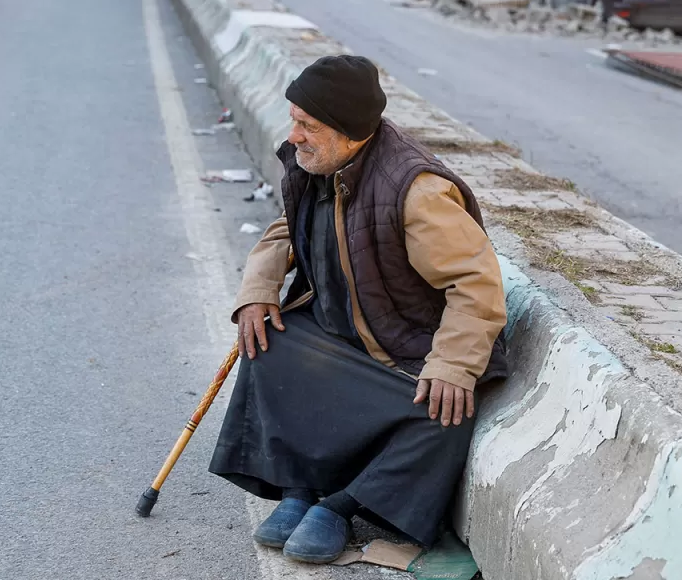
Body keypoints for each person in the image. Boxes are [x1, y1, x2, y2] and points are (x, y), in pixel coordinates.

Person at [209, 55, 507, 564]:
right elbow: (287, 226)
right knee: (265, 342)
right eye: (294, 119)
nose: (294, 134)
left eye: (307, 124)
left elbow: (475, 284)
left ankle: (342, 507)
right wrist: (258, 288)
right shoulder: (315, 161)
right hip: (338, 333)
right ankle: (298, 488)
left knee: (448, 414)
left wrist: (453, 366)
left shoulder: (416, 192)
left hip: (402, 350)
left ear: (348, 133)